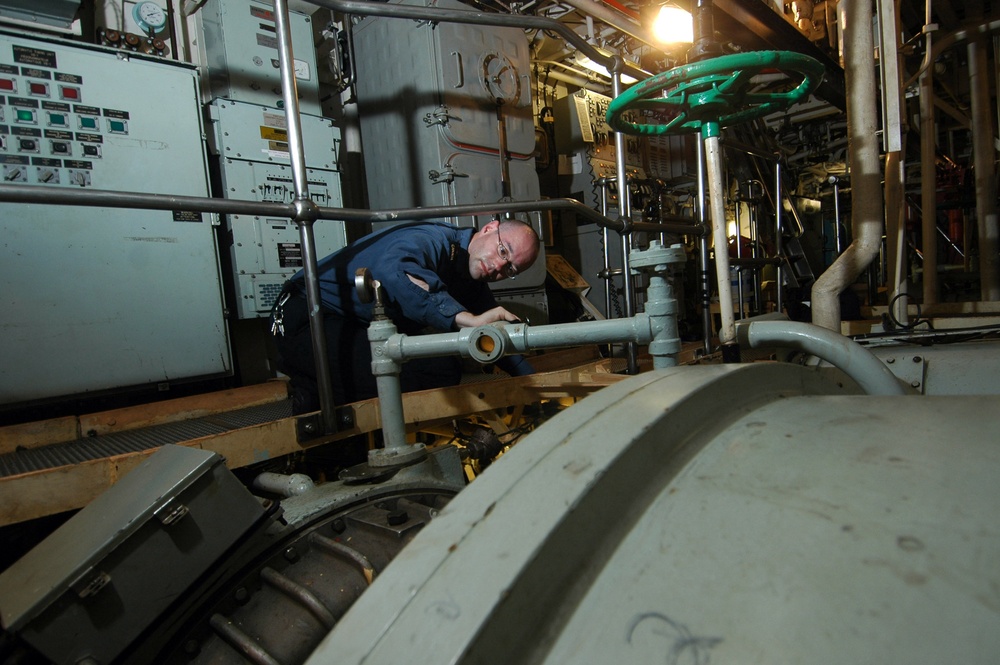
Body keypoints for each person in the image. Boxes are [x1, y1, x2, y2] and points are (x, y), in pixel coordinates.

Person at [271, 218, 540, 413]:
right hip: (306, 318)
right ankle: (311, 390)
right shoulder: (431, 239)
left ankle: (318, 383)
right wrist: (465, 319)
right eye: (503, 251)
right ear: (489, 228)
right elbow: (396, 270)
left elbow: (492, 335)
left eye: (510, 269)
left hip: (351, 327)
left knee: (439, 367)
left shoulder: (470, 277)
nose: (499, 266)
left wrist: (535, 388)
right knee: (437, 371)